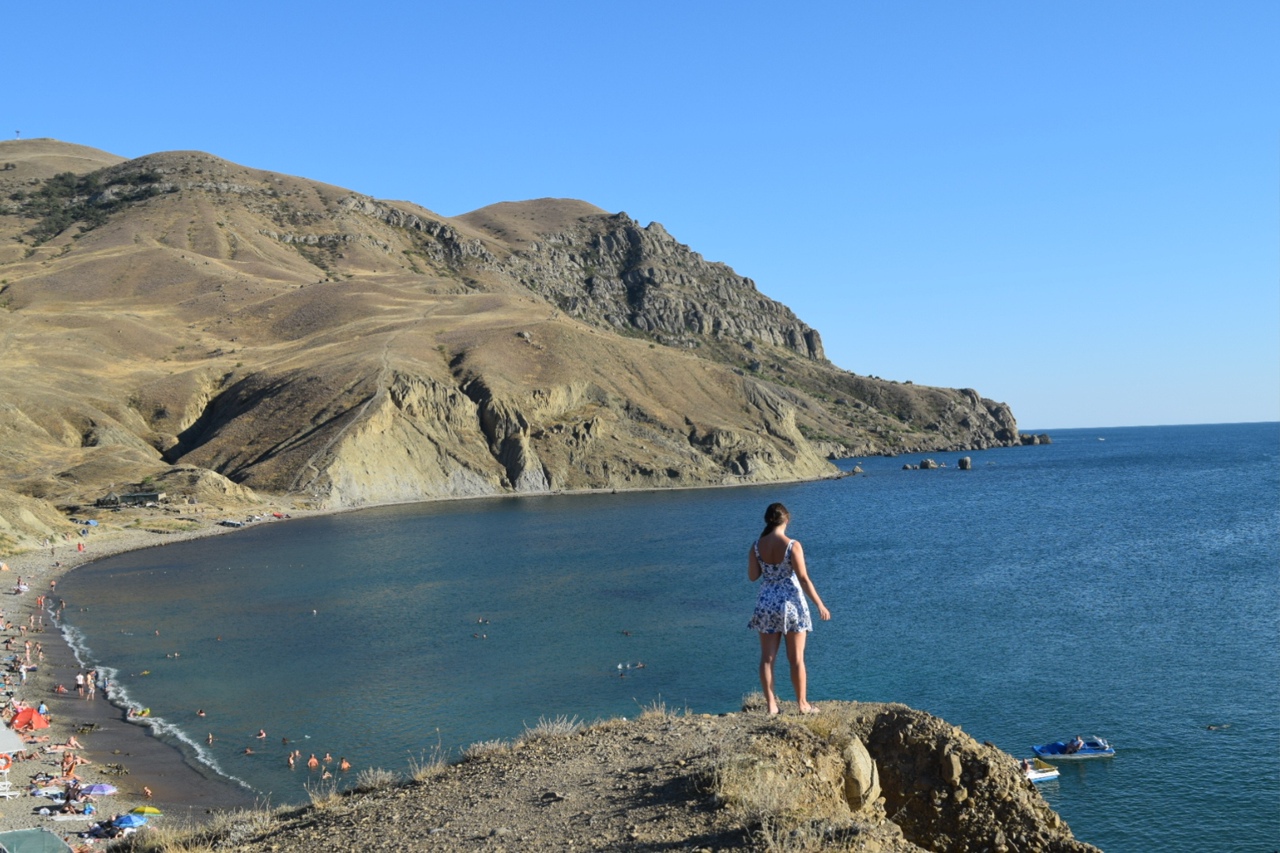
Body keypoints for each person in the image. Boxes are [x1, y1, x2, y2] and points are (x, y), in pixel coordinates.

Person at [747, 503, 831, 716]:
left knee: (767, 658)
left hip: (766, 602)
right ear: (786, 520)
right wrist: (820, 604)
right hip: (791, 603)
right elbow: (803, 579)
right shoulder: (793, 545)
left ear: (767, 520)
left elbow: (752, 576)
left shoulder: (756, 546)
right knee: (796, 659)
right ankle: (802, 705)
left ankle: (771, 706)